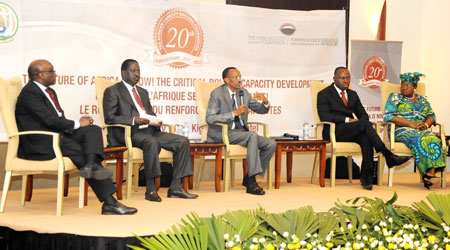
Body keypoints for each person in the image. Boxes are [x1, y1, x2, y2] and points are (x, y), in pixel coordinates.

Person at [15, 59, 137, 215]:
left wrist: (80, 125)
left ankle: (90, 165)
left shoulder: (48, 91)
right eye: (52, 71)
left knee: (92, 130)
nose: (55, 74)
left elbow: (56, 120)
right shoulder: (30, 94)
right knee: (80, 150)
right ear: (42, 74)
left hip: (56, 136)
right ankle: (109, 202)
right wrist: (78, 124)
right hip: (40, 142)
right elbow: (50, 121)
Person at [103, 59, 198, 202]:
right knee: (151, 142)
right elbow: (109, 118)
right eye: (133, 71)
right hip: (129, 133)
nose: (137, 74)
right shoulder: (113, 91)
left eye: (138, 71)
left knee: (182, 141)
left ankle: (176, 187)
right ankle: (150, 188)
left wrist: (155, 121)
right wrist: (134, 119)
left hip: (150, 130)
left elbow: (149, 113)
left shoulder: (143, 92)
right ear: (124, 73)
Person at [317, 66, 411, 190]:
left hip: (351, 130)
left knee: (365, 137)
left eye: (348, 78)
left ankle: (366, 177)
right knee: (364, 125)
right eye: (342, 78)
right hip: (334, 131)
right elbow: (324, 115)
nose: (345, 81)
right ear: (334, 79)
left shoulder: (352, 94)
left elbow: (363, 114)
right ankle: (388, 155)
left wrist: (361, 121)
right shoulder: (324, 94)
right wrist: (347, 120)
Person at [206, 67, 277, 195]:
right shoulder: (217, 94)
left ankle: (249, 176)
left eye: (240, 77)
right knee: (252, 136)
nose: (240, 80)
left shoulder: (243, 92)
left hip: (241, 133)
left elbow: (261, 109)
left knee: (271, 144)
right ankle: (252, 182)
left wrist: (265, 101)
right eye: (236, 77)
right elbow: (209, 118)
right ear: (227, 80)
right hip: (223, 133)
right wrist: (233, 114)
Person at [383, 72, 446, 189]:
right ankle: (426, 171)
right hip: (401, 130)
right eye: (403, 85)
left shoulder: (422, 100)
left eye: (408, 85)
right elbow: (389, 116)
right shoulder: (395, 97)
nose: (404, 88)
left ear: (415, 87)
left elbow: (431, 115)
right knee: (419, 139)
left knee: (434, 139)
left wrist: (426, 125)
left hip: (420, 130)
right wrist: (411, 124)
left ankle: (430, 171)